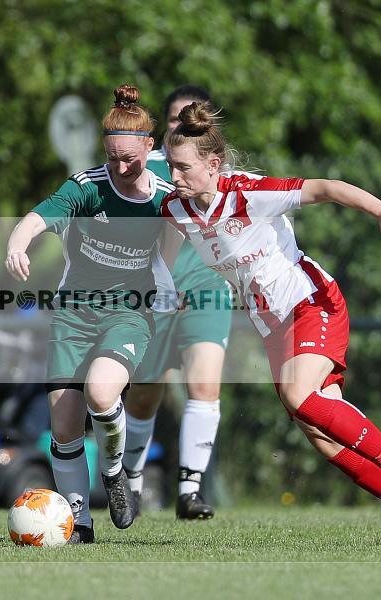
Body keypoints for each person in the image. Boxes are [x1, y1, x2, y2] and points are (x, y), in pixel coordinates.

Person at [158, 101, 381, 548]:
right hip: (273, 325)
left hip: (311, 302)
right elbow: (162, 259)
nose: (175, 176)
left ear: (213, 164)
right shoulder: (177, 209)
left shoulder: (247, 193)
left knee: (301, 396)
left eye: (183, 167)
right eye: (170, 166)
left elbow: (327, 187)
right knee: (322, 436)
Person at [5, 84, 175, 544]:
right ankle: (79, 523)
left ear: (149, 148)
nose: (120, 168)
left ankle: (115, 472)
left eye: (130, 159)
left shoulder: (165, 198)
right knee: (63, 424)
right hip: (74, 316)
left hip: (130, 314)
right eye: (112, 157)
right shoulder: (87, 187)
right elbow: (41, 215)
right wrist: (18, 242)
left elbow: (205, 231)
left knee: (102, 392)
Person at [124, 85, 232, 519]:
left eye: (187, 119)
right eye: (172, 118)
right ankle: (129, 485)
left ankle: (189, 490)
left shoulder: (215, 168)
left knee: (204, 386)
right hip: (155, 291)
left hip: (206, 286)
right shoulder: (143, 166)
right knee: (146, 394)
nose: (178, 126)